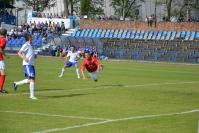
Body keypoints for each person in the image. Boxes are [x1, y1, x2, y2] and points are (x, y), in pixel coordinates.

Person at [13, 34, 37, 100]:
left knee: (31, 80)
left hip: (31, 64)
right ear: (29, 38)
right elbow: (19, 53)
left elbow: (29, 54)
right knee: (32, 79)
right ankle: (32, 96)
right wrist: (24, 58)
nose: (32, 39)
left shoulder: (30, 46)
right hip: (27, 64)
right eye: (31, 38)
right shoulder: (26, 45)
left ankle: (16, 83)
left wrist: (34, 56)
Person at [0, 28, 9, 93]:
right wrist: (6, 55)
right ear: (5, 34)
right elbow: (0, 49)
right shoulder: (3, 40)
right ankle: (1, 89)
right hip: (0, 59)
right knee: (3, 74)